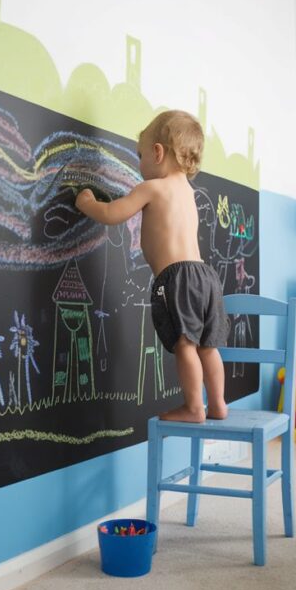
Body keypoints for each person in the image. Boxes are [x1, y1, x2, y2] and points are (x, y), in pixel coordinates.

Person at [75, 110, 228, 423]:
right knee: (208, 347)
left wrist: (87, 202)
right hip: (205, 276)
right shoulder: (189, 192)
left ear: (158, 153)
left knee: (185, 344)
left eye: (140, 154)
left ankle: (194, 407)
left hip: (176, 278)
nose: (139, 162)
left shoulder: (153, 188)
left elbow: (113, 214)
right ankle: (218, 404)